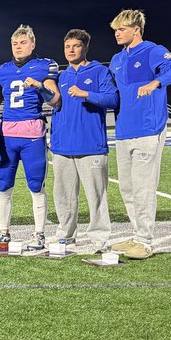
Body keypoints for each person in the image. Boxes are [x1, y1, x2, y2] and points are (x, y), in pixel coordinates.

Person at [108, 9, 171, 259]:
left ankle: (145, 240)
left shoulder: (153, 50)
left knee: (143, 187)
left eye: (121, 29)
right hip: (123, 131)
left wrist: (156, 82)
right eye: (115, 30)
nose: (117, 33)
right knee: (127, 188)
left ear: (136, 30)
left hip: (148, 129)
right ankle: (136, 234)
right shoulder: (116, 60)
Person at [0, 24, 61, 251]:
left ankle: (39, 234)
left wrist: (40, 86)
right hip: (8, 135)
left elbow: (55, 100)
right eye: (15, 43)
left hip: (32, 134)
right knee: (4, 186)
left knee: (35, 185)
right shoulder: (2, 70)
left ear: (32, 45)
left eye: (23, 43)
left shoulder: (44, 66)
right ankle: (4, 233)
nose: (18, 47)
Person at [50, 29, 118, 252]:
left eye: (75, 46)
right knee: (63, 196)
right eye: (67, 46)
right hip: (62, 146)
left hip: (91, 146)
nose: (70, 50)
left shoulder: (100, 71)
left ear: (85, 48)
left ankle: (99, 238)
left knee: (96, 196)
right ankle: (66, 235)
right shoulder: (61, 75)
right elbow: (56, 104)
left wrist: (86, 94)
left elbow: (113, 98)